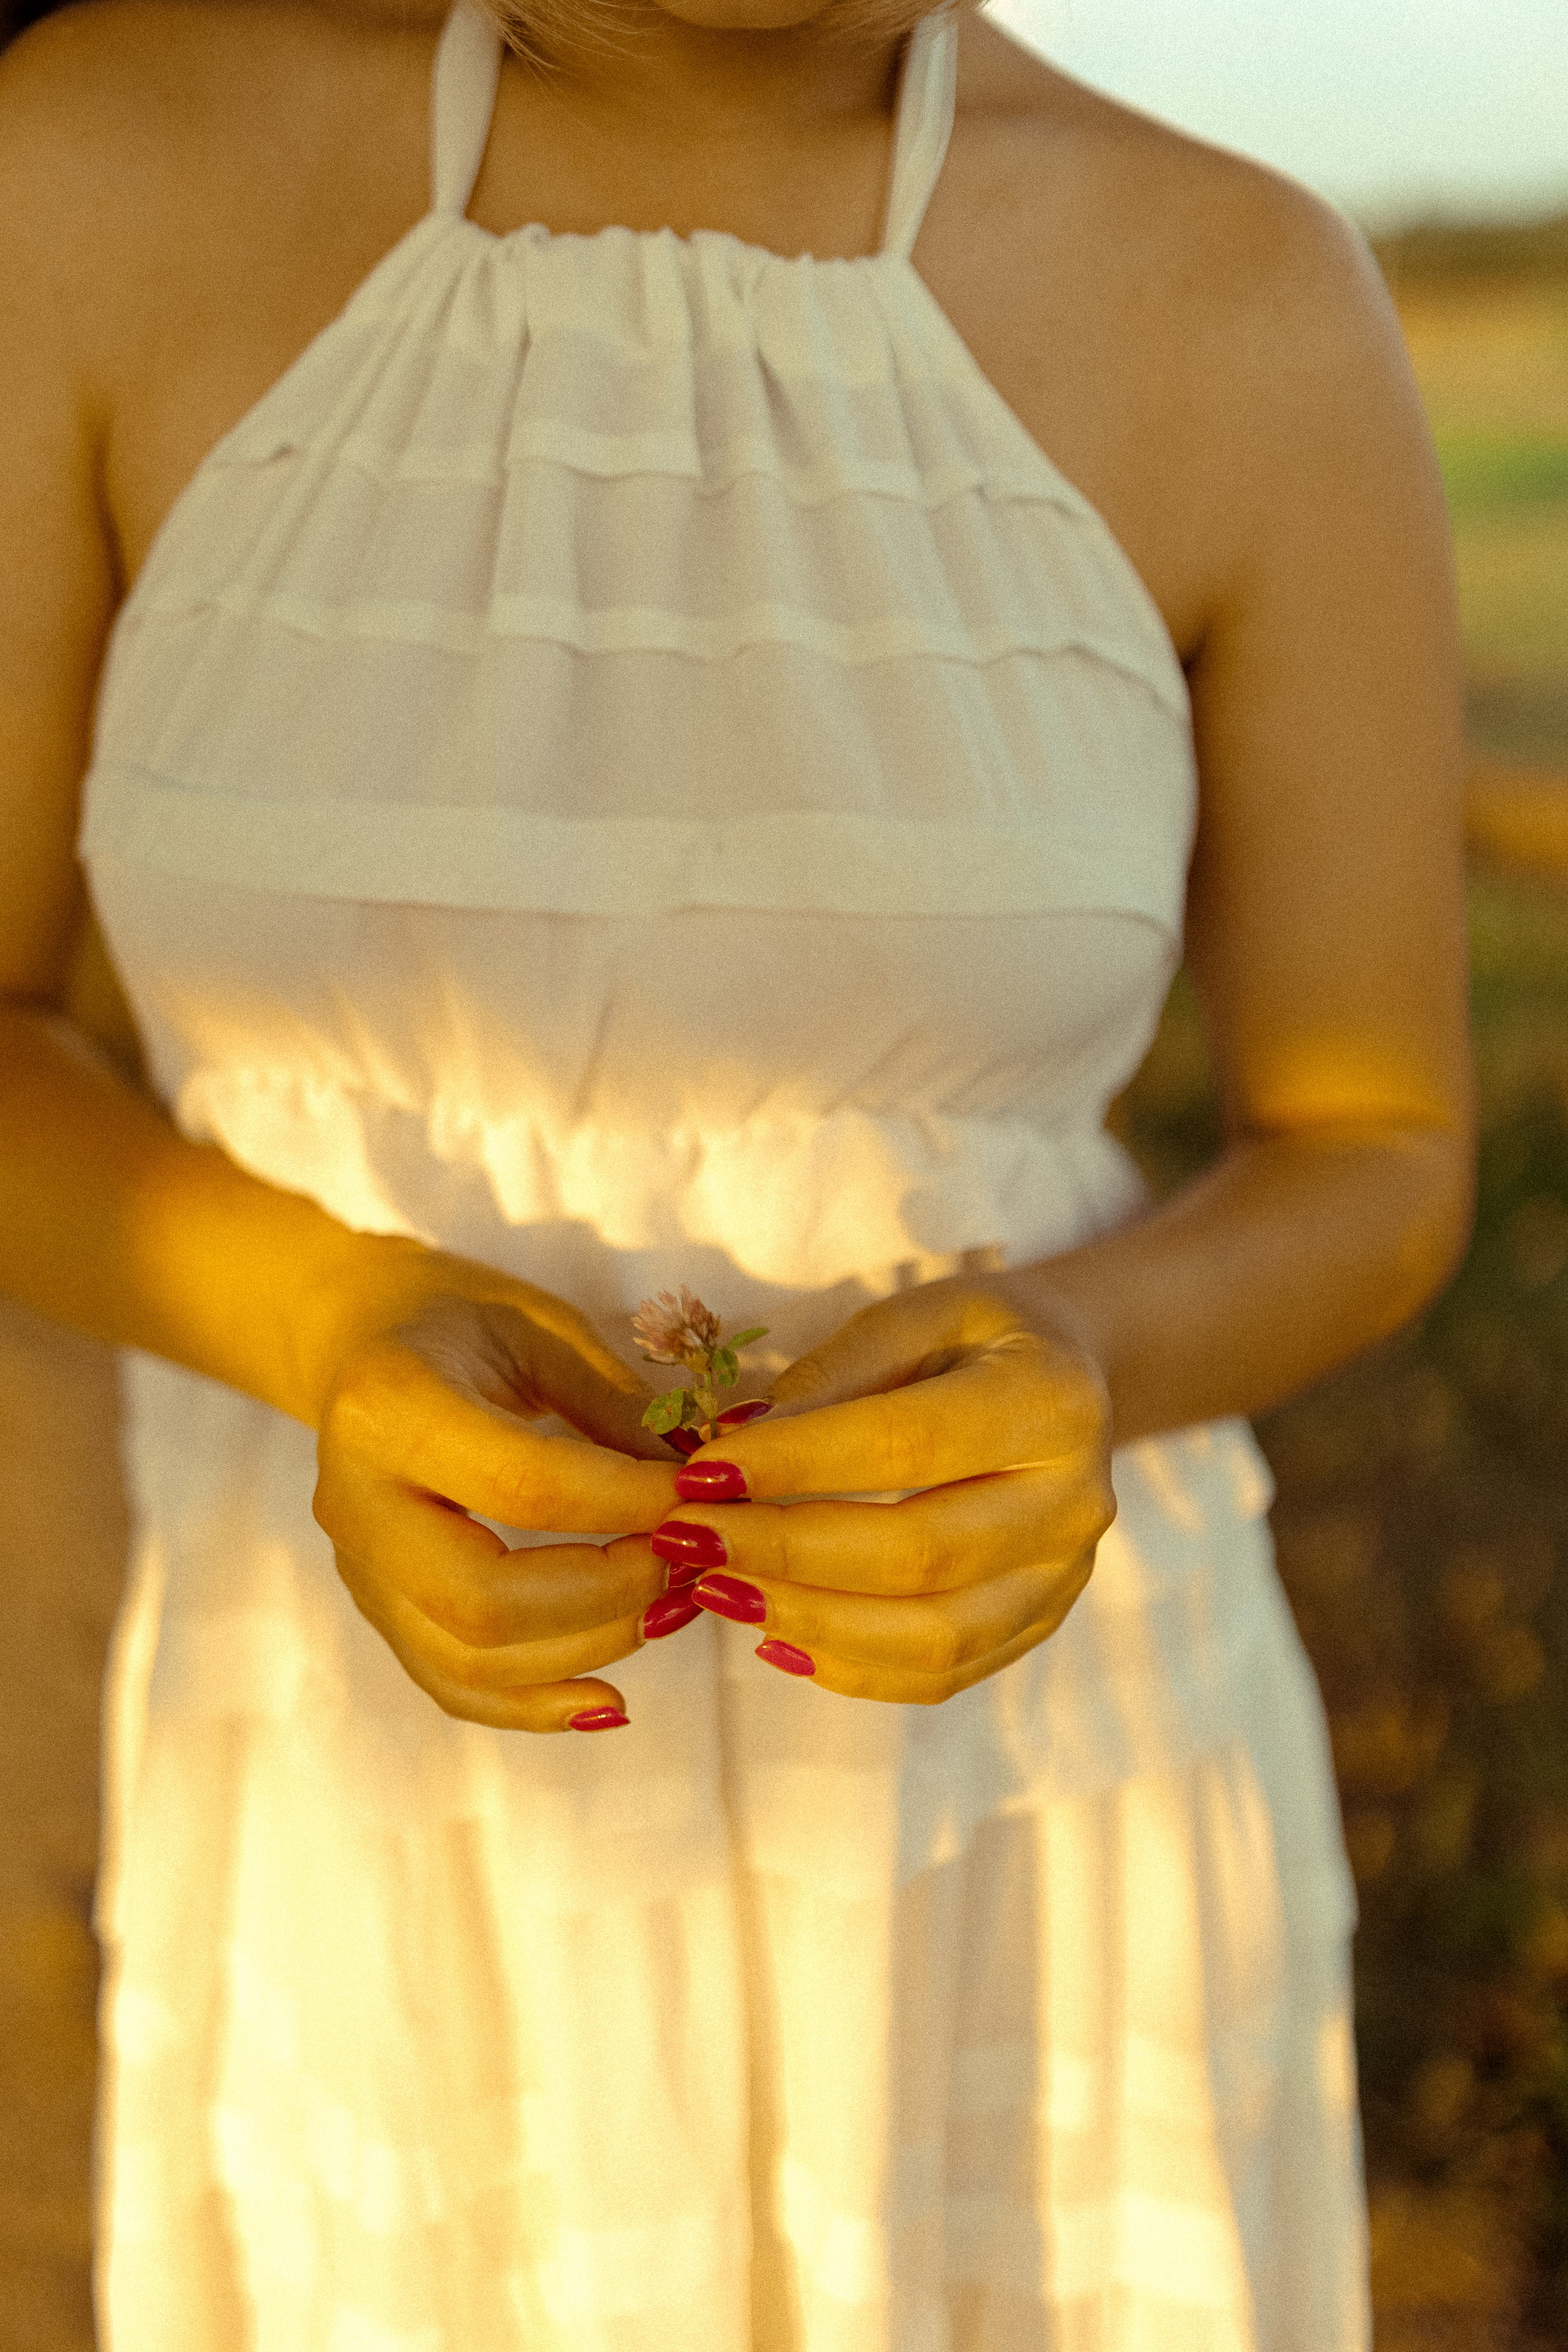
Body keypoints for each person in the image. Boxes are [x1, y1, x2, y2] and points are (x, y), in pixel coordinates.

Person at [0, 0, 1472, 2339]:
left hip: (1024, 1825)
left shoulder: (1246, 291)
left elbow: (1376, 1143)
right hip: (376, 1822)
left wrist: (1088, 1351)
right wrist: (325, 1322)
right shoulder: (94, 162)